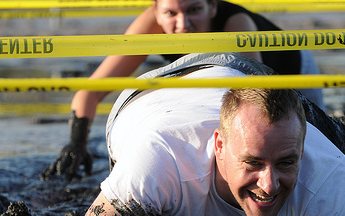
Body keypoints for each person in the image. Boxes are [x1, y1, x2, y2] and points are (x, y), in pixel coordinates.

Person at [63, 53, 345, 216]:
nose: (268, 184)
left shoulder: (330, 182)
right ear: (220, 147)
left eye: (285, 163)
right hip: (149, 95)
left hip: (248, 76)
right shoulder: (159, 161)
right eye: (253, 163)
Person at [41, 0, 324, 180]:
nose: (182, 25)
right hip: (221, 72)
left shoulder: (237, 25)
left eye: (194, 10)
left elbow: (257, 100)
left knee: (311, 143)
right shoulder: (148, 27)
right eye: (170, 13)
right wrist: (76, 143)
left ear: (213, 7)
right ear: (155, 10)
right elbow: (91, 92)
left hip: (293, 71)